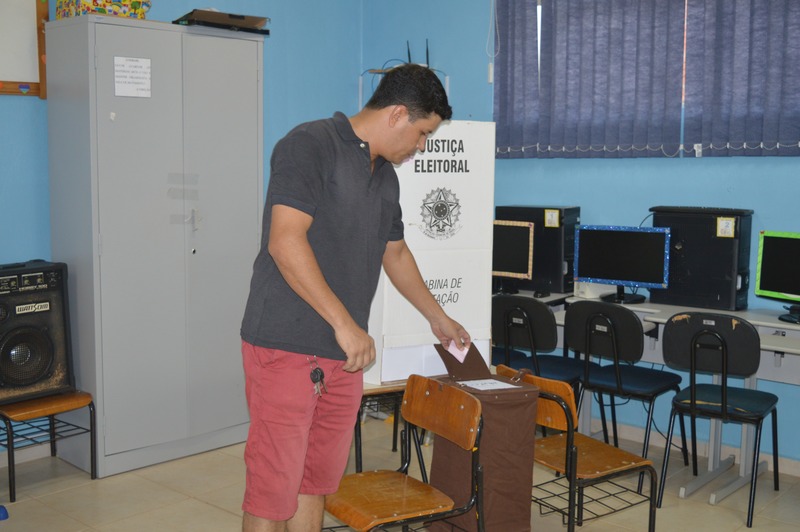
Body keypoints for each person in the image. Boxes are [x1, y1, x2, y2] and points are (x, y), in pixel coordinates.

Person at [239, 63, 471, 532]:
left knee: (316, 482)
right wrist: (345, 325)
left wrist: (438, 318)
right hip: (286, 344)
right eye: (423, 133)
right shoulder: (310, 144)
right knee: (273, 487)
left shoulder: (385, 175)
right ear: (398, 114)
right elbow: (285, 241)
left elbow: (397, 253)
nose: (421, 147)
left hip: (344, 356)